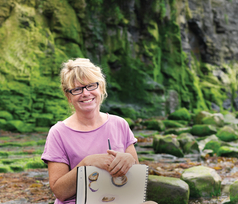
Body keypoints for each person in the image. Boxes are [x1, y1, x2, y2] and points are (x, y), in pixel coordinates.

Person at [41, 58, 157, 204]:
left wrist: (131, 161)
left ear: (101, 87)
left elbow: (135, 185)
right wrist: (86, 163)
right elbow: (60, 192)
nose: (85, 93)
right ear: (68, 96)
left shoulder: (120, 124)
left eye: (91, 86)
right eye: (77, 89)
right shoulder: (58, 133)